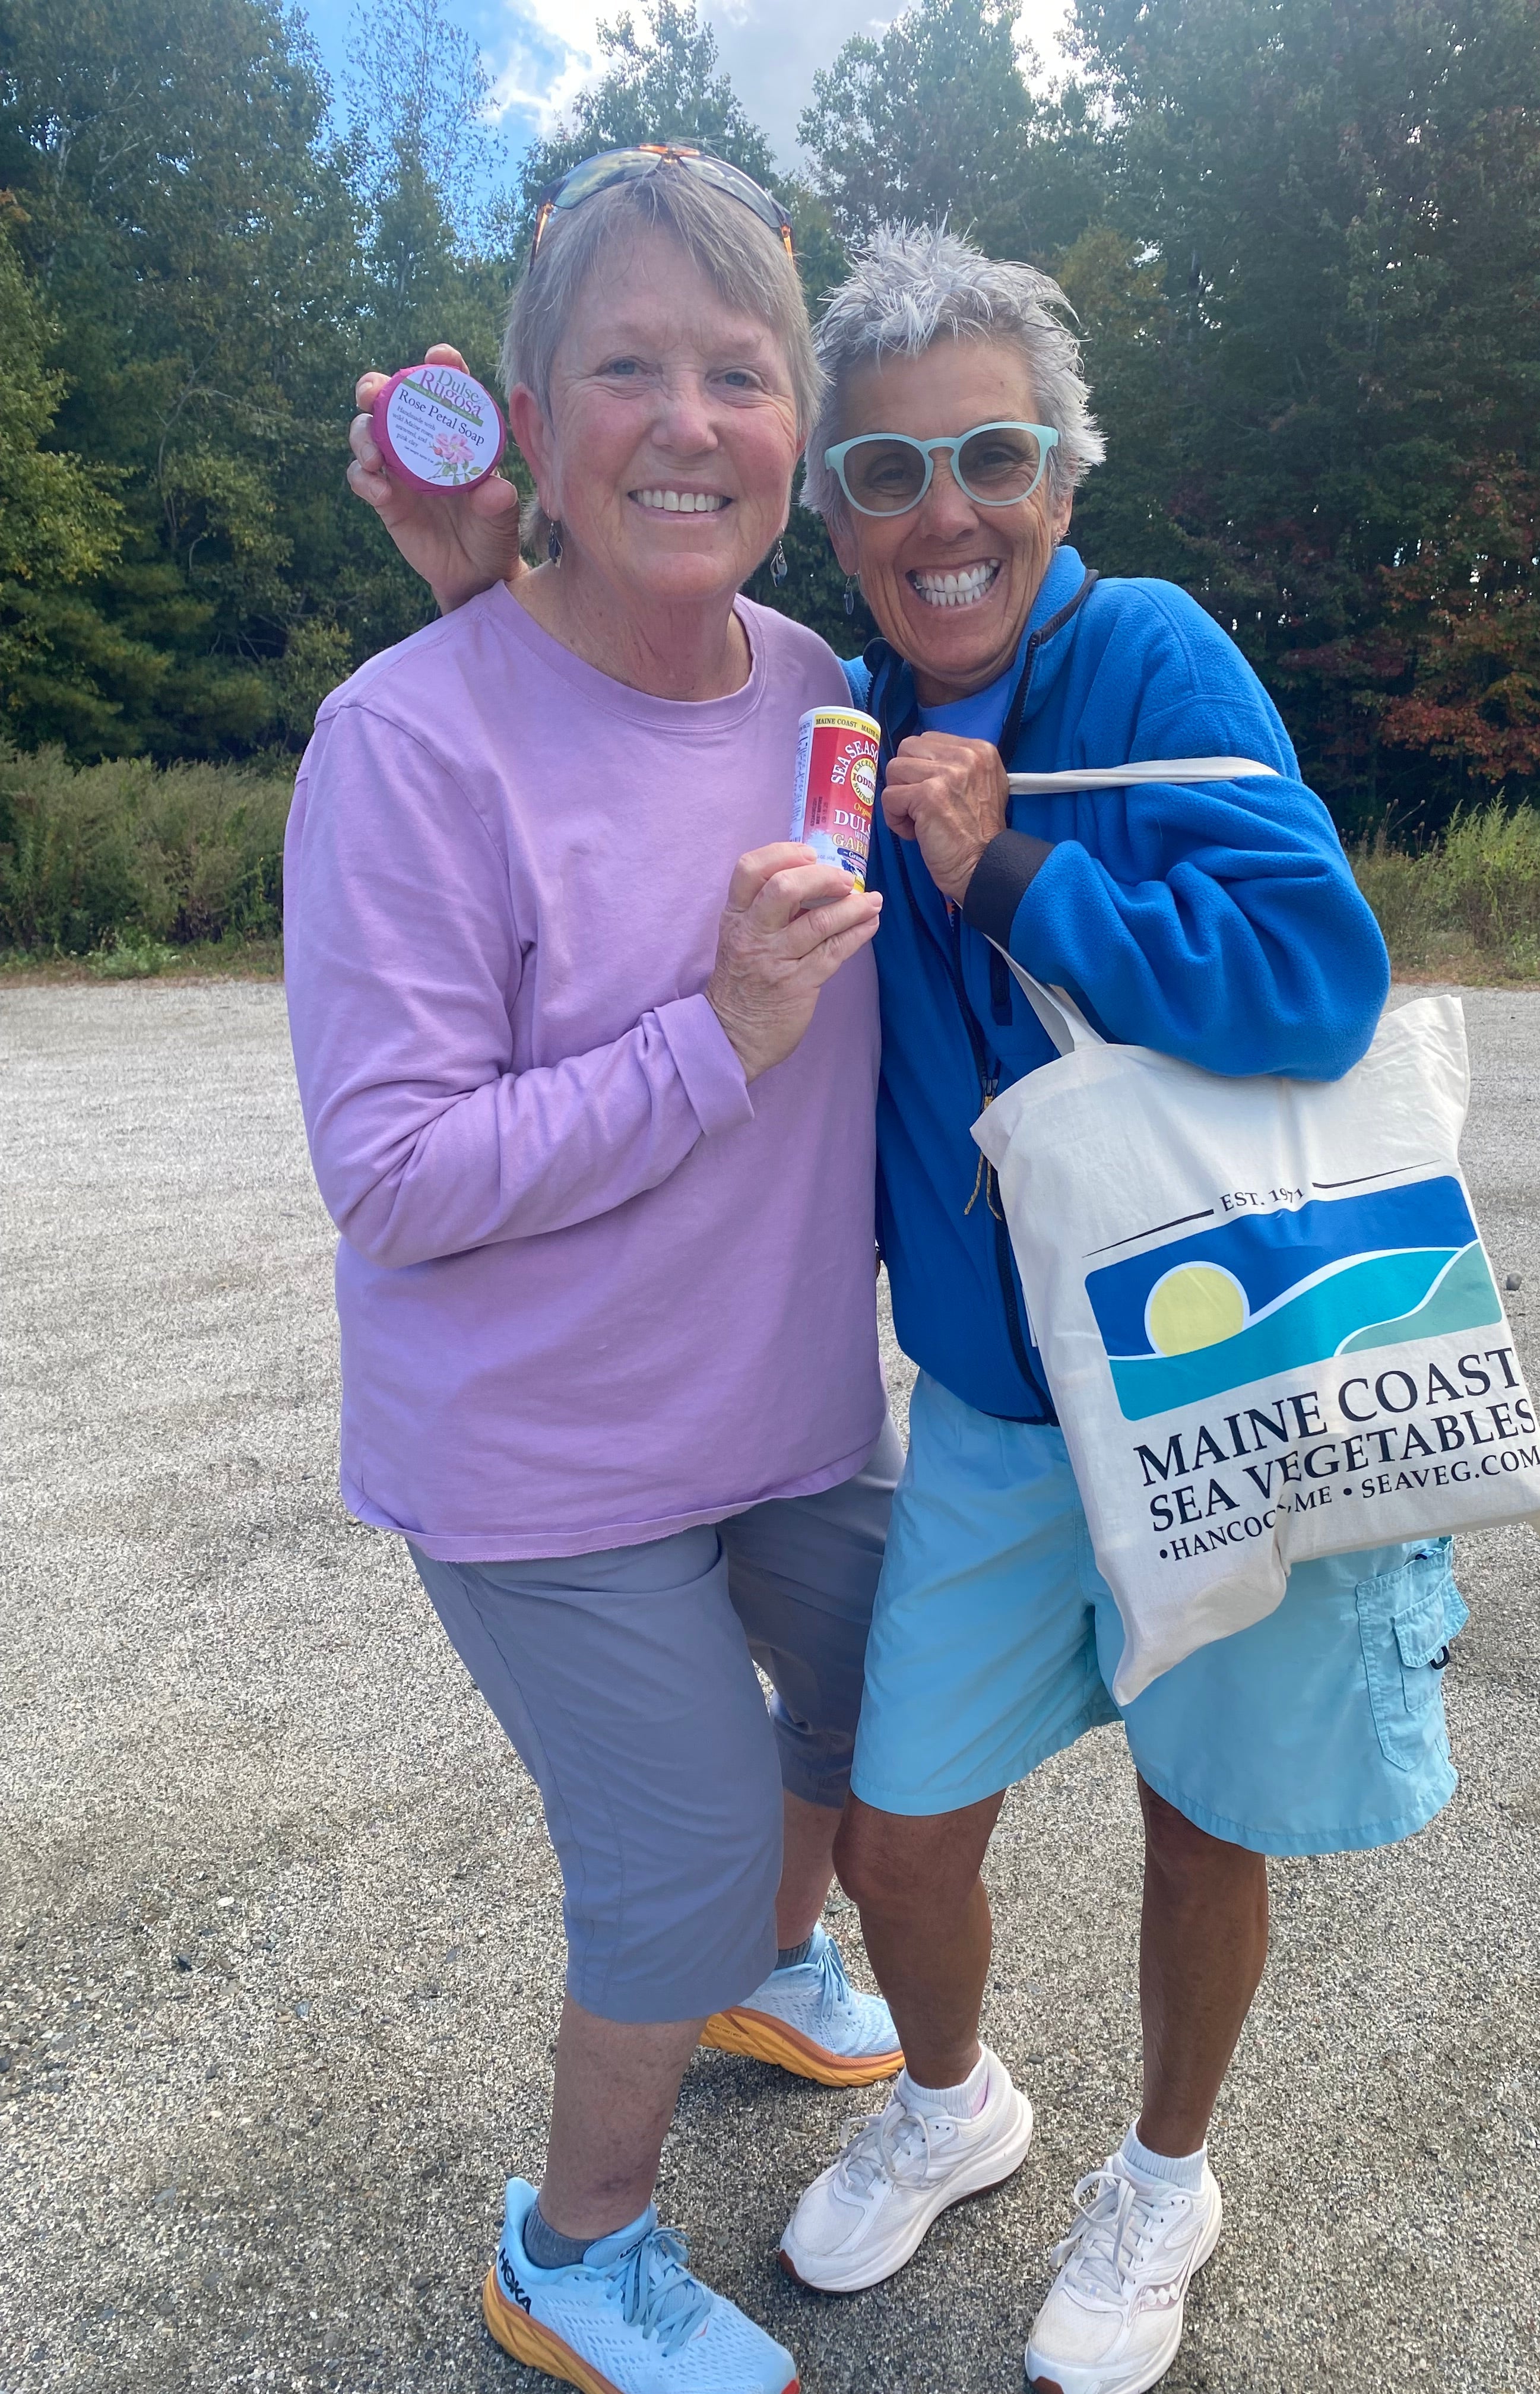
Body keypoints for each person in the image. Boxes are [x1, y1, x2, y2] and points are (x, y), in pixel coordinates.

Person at [356, 223, 1471, 2394]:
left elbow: (1320, 975)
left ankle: (1165, 2177)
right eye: (885, 470)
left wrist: (1023, 875)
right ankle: (958, 2110)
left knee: (1199, 1809)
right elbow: (604, 709)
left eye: (991, 454)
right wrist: (483, 582)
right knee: (898, 1817)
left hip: (1221, 1364)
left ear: (1066, 469)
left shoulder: (1142, 653)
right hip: (984, 1404)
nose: (941, 510)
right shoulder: (831, 707)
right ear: (833, 510)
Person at [290, 151, 908, 2394]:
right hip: (546, 1464)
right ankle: (575, 2247)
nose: (685, 419)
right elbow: (395, 1173)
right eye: (622, 366)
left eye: (736, 373)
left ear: (796, 425)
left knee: (900, 1686)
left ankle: (758, 1961)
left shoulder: (822, 684)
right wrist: (715, 1037)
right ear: (534, 420)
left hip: (787, 1414)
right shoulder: (409, 737)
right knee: (682, 1836)